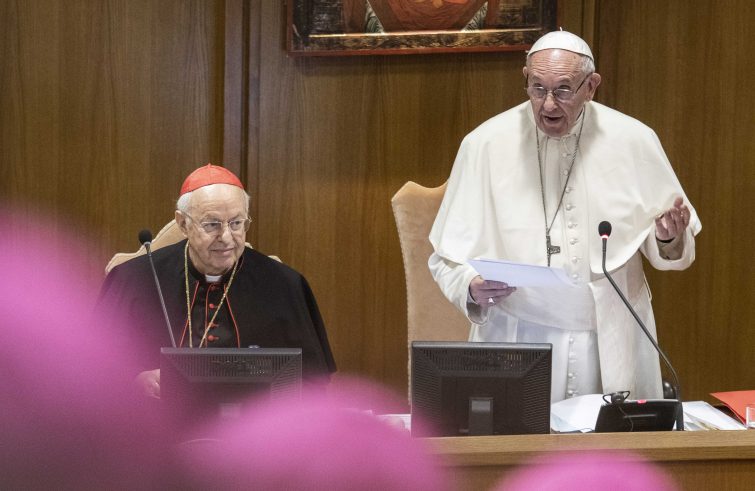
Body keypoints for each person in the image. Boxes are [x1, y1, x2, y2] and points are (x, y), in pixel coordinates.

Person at [428, 31, 701, 402]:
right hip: (518, 336)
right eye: (537, 88)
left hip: (614, 337)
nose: (548, 104)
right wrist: (470, 286)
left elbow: (670, 248)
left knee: (615, 439)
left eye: (563, 90)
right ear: (525, 78)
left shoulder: (634, 139)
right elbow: (445, 258)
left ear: (591, 86)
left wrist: (668, 238)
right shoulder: (484, 144)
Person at [97, 164, 336, 397]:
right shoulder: (135, 280)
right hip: (157, 420)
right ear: (183, 224)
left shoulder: (284, 285)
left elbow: (313, 380)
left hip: (254, 422)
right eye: (212, 224)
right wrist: (134, 380)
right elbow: (93, 368)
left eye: (236, 223)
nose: (226, 237)